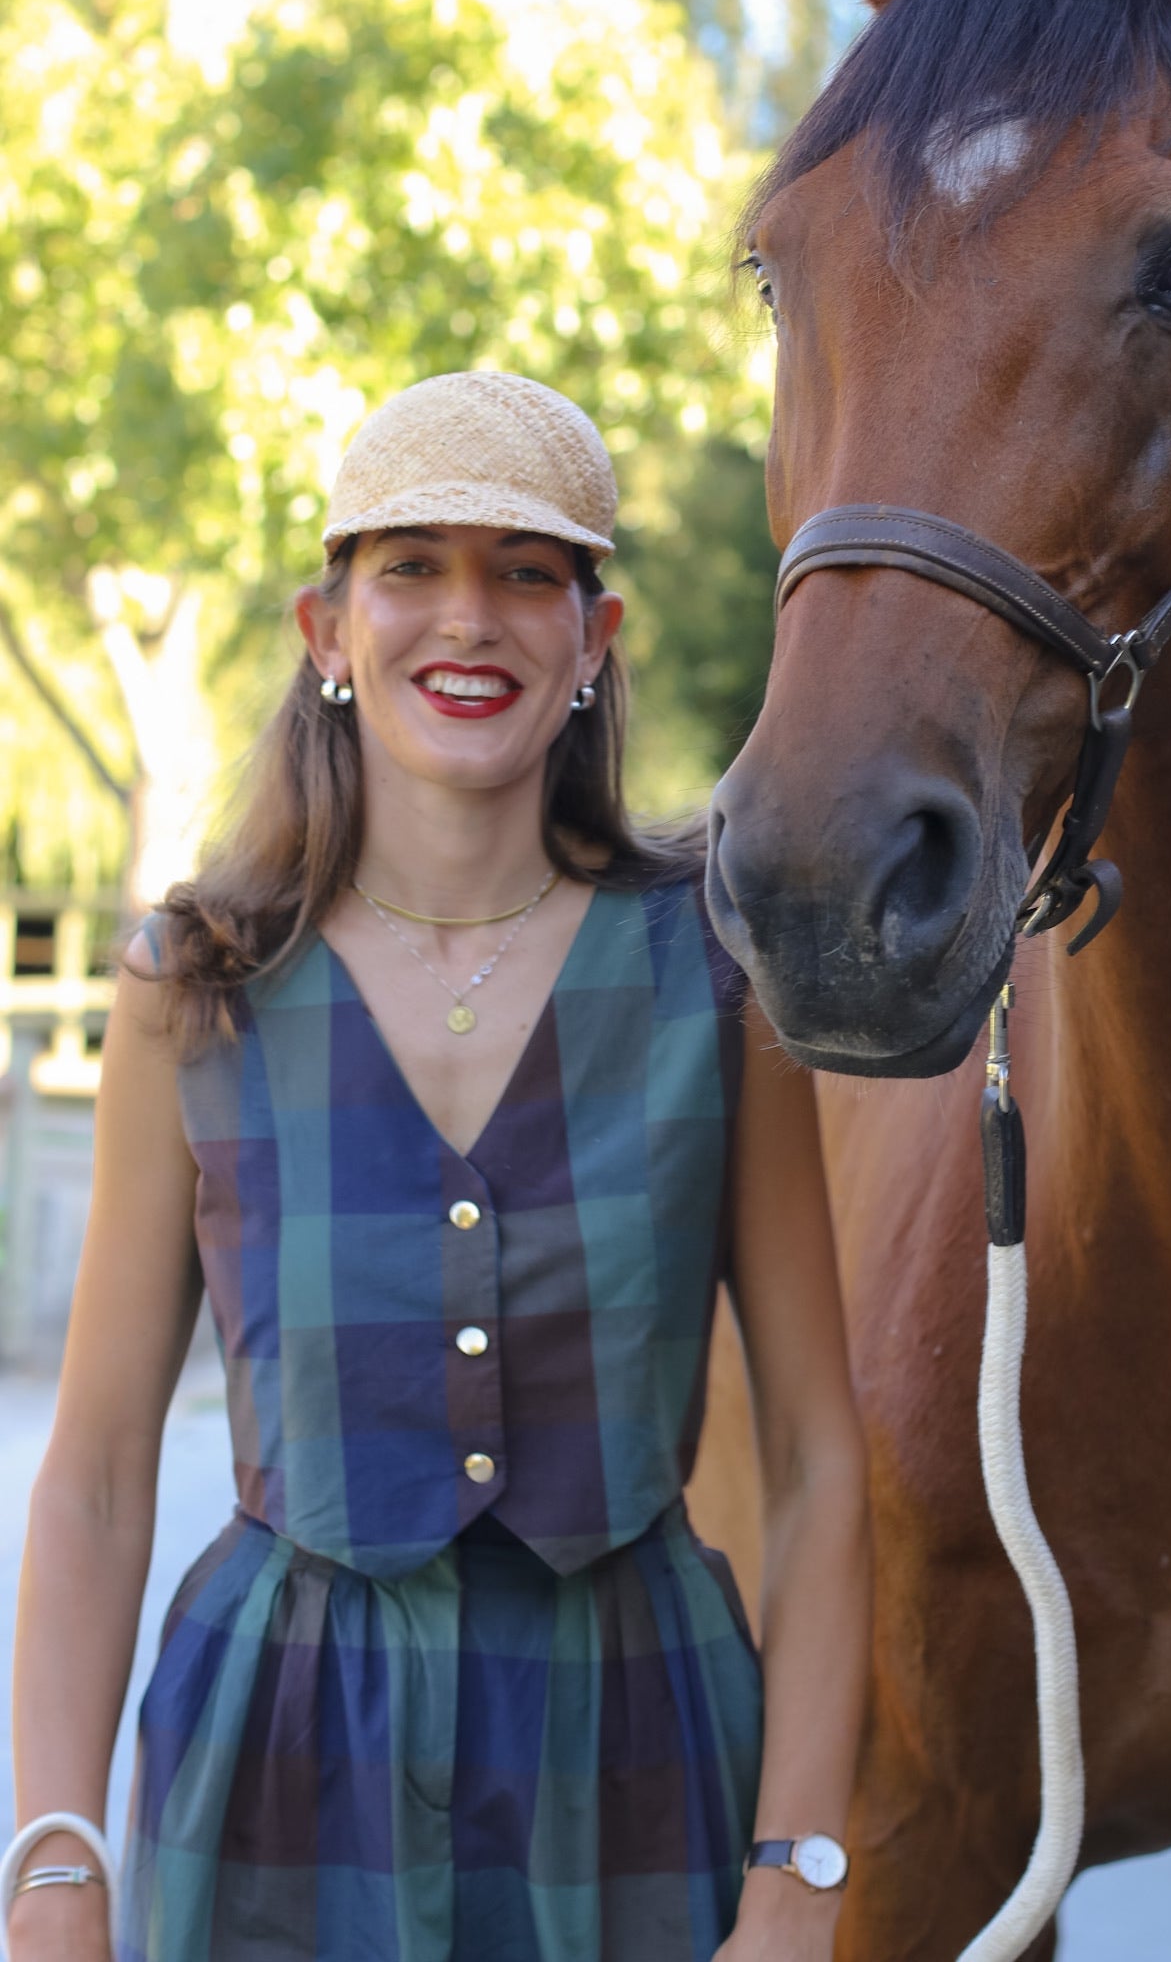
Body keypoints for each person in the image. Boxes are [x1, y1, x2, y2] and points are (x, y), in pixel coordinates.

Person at [4, 371, 870, 1962]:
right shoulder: (192, 987)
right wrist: (54, 1863)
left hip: (641, 1758)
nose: (466, 620)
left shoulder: (711, 978)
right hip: (273, 1771)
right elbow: (102, 1470)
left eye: (525, 572)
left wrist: (797, 1874)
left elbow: (817, 1465)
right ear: (326, 630)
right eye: (411, 567)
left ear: (592, 643)